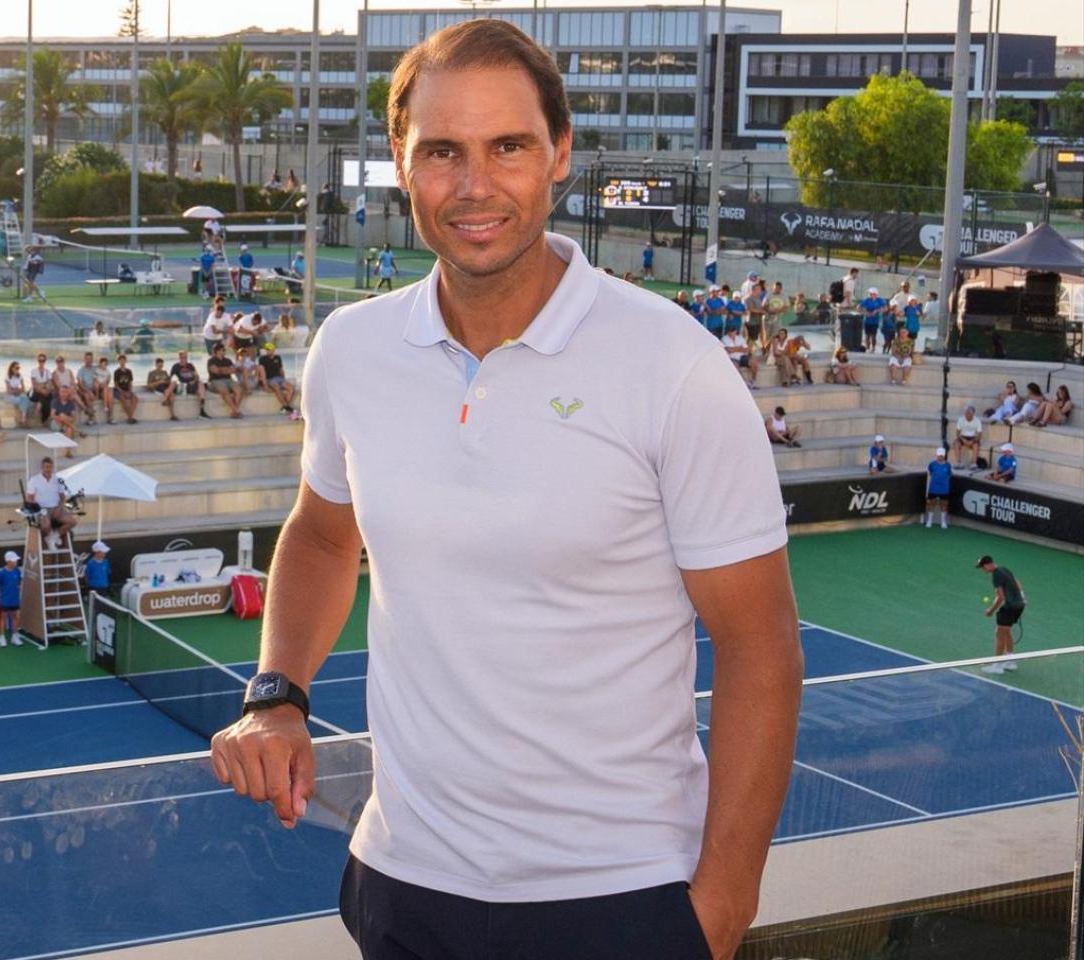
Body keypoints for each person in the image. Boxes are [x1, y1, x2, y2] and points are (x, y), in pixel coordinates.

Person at [211, 21, 799, 960]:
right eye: (442, 151)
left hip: (622, 899)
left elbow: (759, 643)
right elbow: (324, 537)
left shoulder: (673, 364)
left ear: (559, 153)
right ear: (401, 163)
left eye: (509, 147)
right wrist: (277, 692)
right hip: (405, 886)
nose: (475, 186)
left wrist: (722, 906)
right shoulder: (353, 350)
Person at [976, 555, 1024, 674]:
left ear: (987, 565)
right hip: (1019, 605)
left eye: (982, 568)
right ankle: (1011, 662)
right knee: (1006, 631)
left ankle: (997, 666)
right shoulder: (1004, 569)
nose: (983, 570)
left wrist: (990, 611)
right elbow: (1017, 583)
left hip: (1010, 607)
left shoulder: (996, 575)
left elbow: (1000, 597)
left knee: (1000, 633)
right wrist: (1021, 597)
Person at [25, 456, 77, 547]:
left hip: (56, 508)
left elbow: (63, 497)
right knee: (46, 525)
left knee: (73, 521)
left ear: (52, 468)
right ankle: (50, 538)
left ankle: (54, 536)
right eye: (46, 467)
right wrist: (38, 509)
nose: (48, 469)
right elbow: (29, 497)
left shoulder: (57, 479)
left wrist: (59, 508)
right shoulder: (34, 480)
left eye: (50, 467)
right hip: (42, 509)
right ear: (42, 468)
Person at [257, 342, 299, 419]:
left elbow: (281, 369)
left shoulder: (278, 358)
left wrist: (284, 378)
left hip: (279, 378)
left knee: (291, 388)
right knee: (276, 387)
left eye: (270, 349)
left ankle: (285, 407)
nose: (269, 351)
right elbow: (261, 371)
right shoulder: (262, 359)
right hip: (270, 379)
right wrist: (264, 384)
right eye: (268, 349)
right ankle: (287, 407)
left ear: (273, 350)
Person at [205, 343, 243, 417]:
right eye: (223, 350)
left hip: (228, 379)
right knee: (225, 391)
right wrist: (226, 369)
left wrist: (221, 369)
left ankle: (234, 411)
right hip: (215, 381)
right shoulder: (211, 360)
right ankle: (236, 410)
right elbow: (214, 371)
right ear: (218, 351)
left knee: (239, 390)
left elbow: (233, 370)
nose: (225, 351)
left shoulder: (228, 360)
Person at [0, 551, 24, 647]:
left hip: (15, 599)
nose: (16, 562)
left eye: (16, 560)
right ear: (8, 561)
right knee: (3, 617)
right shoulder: (2, 573)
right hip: (5, 599)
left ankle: (14, 636)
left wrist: (19, 587)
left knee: (15, 617)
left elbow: (19, 582)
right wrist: (5, 593)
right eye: (14, 560)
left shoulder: (17, 571)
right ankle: (2, 637)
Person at [923, 447, 951, 529]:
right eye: (939, 455)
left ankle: (943, 522)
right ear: (936, 455)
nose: (940, 456)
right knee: (931, 503)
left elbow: (949, 474)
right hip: (933, 488)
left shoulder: (948, 465)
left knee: (944, 504)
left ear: (944, 455)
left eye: (942, 455)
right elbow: (931, 472)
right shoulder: (932, 464)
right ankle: (929, 521)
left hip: (944, 489)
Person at [75, 352, 103, 425]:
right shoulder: (81, 370)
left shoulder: (96, 368)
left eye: (90, 359)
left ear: (93, 359)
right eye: (87, 359)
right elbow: (80, 384)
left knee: (97, 385)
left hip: (95, 391)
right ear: (84, 359)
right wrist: (88, 391)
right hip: (85, 390)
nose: (89, 360)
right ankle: (91, 417)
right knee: (87, 396)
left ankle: (92, 417)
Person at [110, 355, 139, 424]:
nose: (122, 362)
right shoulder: (116, 372)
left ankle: (130, 417)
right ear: (119, 362)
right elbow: (116, 385)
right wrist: (122, 392)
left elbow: (130, 383)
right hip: (118, 390)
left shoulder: (129, 371)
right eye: (121, 360)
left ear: (126, 361)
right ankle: (131, 417)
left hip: (127, 390)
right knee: (123, 399)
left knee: (135, 399)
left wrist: (129, 391)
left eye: (124, 360)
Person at [4, 361, 33, 426]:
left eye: (19, 368)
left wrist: (14, 390)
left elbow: (23, 389)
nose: (18, 369)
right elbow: (9, 391)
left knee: (25, 399)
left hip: (18, 396)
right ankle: (24, 421)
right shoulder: (8, 377)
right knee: (25, 400)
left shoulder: (20, 376)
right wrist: (17, 390)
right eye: (16, 368)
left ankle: (23, 420)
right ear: (12, 368)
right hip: (9, 397)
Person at [29, 351, 55, 424]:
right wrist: (43, 386)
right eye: (40, 360)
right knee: (44, 397)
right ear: (37, 361)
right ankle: (45, 418)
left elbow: (49, 384)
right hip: (36, 392)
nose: (41, 362)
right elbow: (34, 384)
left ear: (45, 361)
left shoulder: (48, 372)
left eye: (43, 360)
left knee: (45, 397)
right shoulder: (33, 371)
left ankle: (38, 411)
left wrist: (44, 387)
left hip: (45, 392)